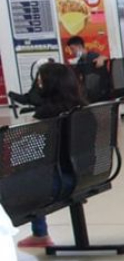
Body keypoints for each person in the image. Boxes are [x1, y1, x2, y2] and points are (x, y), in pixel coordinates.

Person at [15, 63, 87, 249]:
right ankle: (39, 234)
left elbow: (24, 153)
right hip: (86, 176)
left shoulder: (45, 116)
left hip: (59, 182)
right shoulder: (84, 110)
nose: (38, 85)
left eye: (40, 82)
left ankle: (40, 233)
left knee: (24, 177)